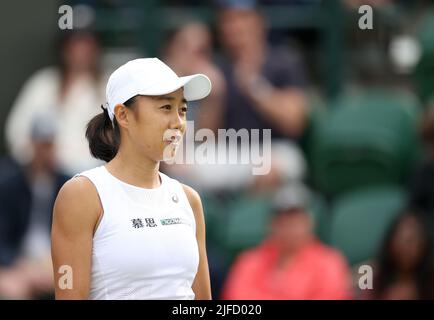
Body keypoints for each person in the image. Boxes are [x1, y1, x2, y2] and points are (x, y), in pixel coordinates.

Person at [51, 58, 212, 300]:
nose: (178, 123)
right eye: (166, 108)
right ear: (123, 115)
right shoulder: (81, 195)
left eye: (182, 110)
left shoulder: (189, 200)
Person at [221, 184, 352, 300]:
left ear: (309, 222)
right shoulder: (249, 262)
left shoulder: (329, 262)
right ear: (271, 224)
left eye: (295, 220)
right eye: (281, 220)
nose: (288, 227)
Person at [5, 30, 105, 176]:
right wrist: (35, 157)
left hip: (93, 174)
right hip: (43, 174)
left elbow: (116, 139)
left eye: (86, 44)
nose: (81, 51)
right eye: (75, 45)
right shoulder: (43, 83)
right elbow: (16, 131)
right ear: (64, 50)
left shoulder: (108, 85)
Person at [0, 116, 69, 299]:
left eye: (49, 145)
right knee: (12, 290)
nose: (45, 152)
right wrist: (18, 264)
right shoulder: (10, 183)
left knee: (70, 285)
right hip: (18, 260)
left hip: (54, 261)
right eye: (41, 145)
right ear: (32, 144)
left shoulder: (68, 184)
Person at [369, 210, 434, 300]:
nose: (406, 248)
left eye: (412, 241)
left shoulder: (429, 283)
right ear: (390, 242)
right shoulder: (371, 278)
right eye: (402, 240)